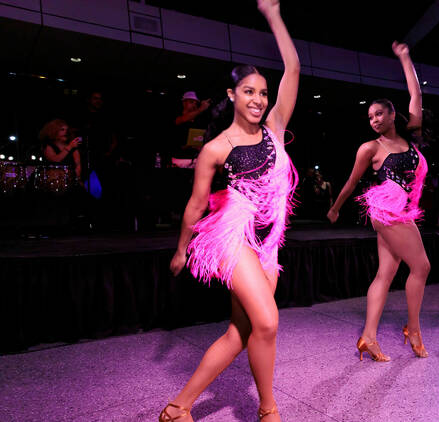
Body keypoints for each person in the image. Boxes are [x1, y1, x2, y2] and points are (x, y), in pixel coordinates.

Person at [160, 1, 299, 420]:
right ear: (232, 95)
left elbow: (292, 68)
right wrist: (181, 250)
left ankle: (179, 407)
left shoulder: (275, 127)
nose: (258, 100)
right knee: (269, 322)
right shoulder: (216, 148)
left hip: (268, 239)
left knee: (242, 331)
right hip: (233, 234)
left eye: (262, 93)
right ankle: (269, 411)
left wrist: (274, 15)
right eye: (249, 92)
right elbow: (196, 204)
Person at [327, 41, 429, 361]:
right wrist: (335, 206)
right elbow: (352, 181)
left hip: (401, 210)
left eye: (378, 113)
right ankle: (413, 329)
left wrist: (404, 57)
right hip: (386, 209)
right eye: (370, 116)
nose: (373, 119)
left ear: (392, 114)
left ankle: (368, 337)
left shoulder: (409, 136)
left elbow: (416, 95)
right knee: (422, 266)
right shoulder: (370, 148)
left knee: (385, 274)